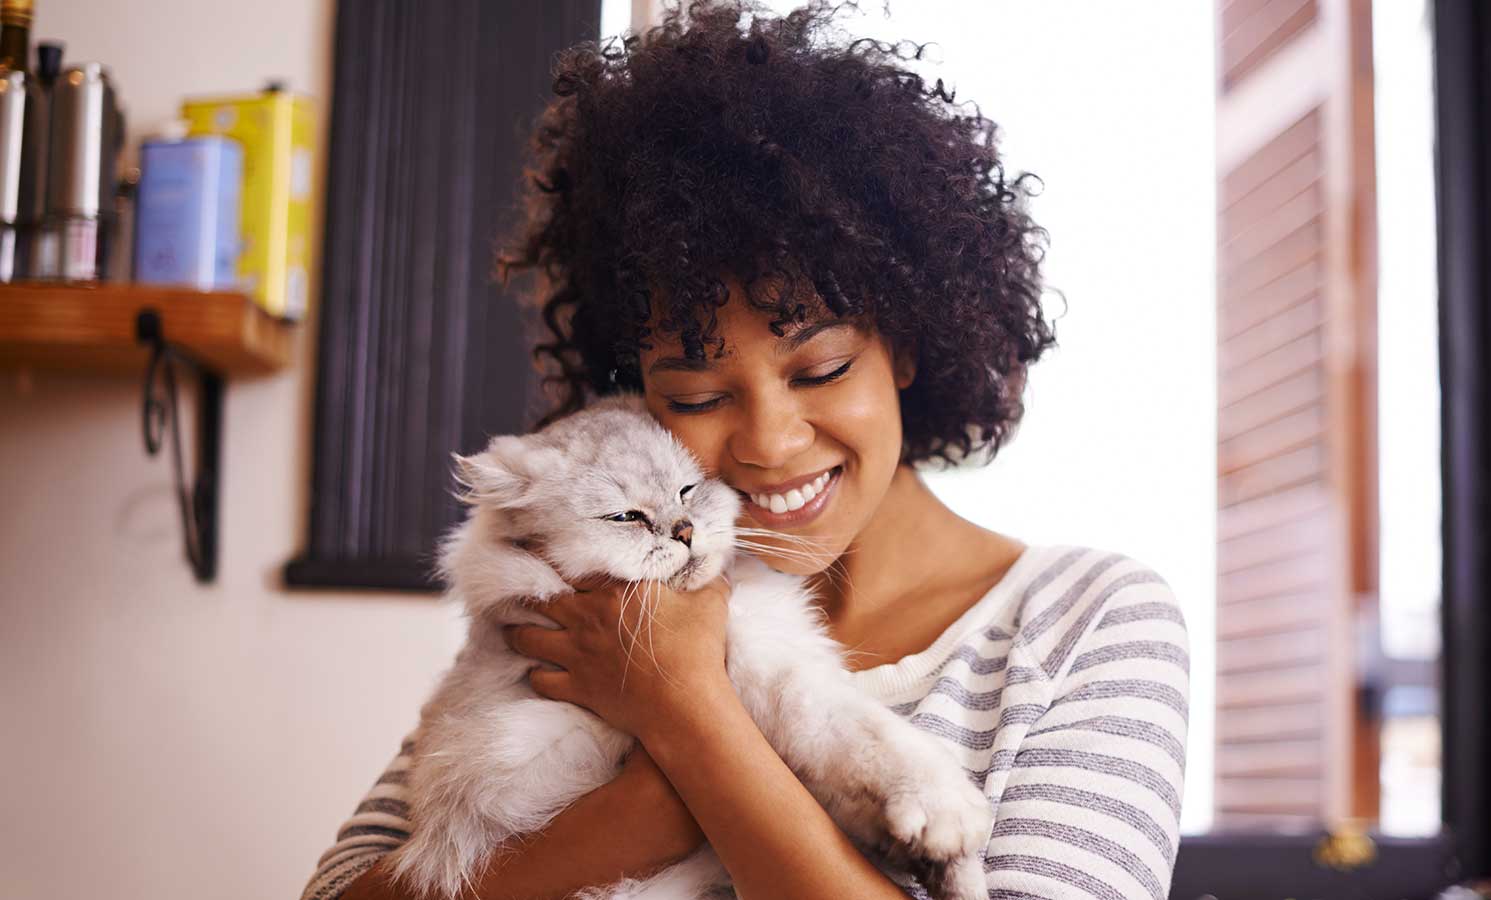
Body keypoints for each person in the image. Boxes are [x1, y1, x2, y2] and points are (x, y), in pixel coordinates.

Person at [301, 2, 1189, 898]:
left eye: (824, 367)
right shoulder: (596, 609)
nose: (769, 442)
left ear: (910, 344)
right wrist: (634, 818)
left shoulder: (1088, 626)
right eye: (697, 395)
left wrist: (690, 721)